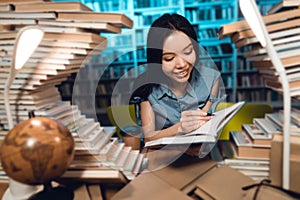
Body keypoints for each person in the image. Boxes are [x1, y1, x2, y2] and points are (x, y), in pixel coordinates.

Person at [130, 13, 224, 156]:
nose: (182, 65)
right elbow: (149, 137)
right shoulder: (147, 88)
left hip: (203, 158)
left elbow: (214, 125)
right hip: (165, 159)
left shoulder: (211, 79)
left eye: (188, 52)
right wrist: (180, 128)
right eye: (169, 58)